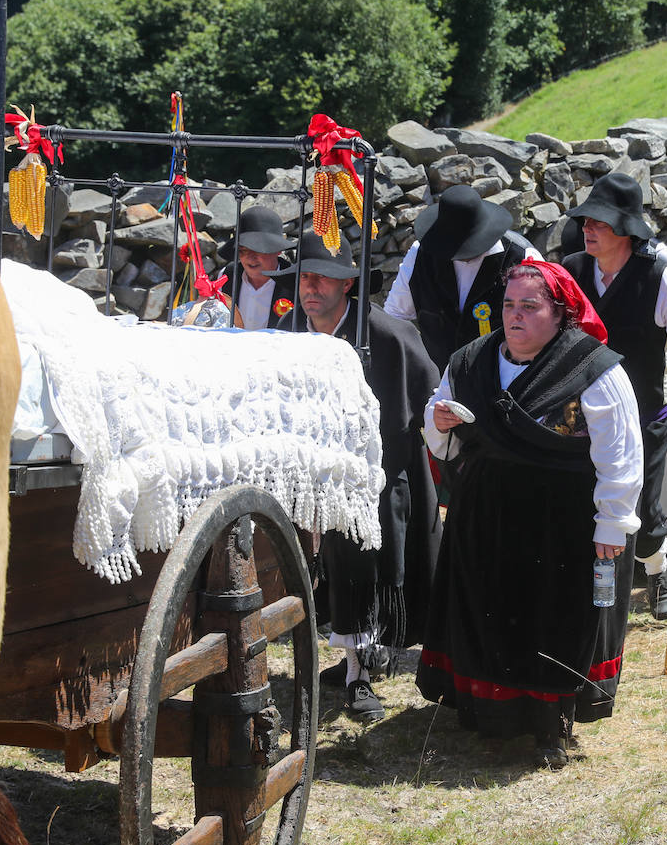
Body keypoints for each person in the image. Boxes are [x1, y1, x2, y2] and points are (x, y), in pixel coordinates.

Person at [416, 259, 641, 768]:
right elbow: (439, 434)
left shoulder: (593, 369)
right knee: (488, 612)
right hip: (486, 516)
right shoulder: (471, 361)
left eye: (530, 306)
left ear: (560, 314)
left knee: (553, 620)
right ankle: (490, 713)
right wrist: (440, 420)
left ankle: (548, 725)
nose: (515, 317)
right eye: (509, 305)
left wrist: (612, 523)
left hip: (559, 524)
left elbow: (621, 452)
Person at [268, 231, 441, 720]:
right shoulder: (287, 329)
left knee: (363, 567)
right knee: (320, 571)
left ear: (348, 285)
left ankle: (359, 673)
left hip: (375, 477)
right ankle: (349, 659)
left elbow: (429, 399)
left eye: (324, 278)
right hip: (305, 474)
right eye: (305, 278)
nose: (311, 288)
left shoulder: (385, 334)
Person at [562, 172, 667, 621]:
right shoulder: (570, 272)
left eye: (600, 222)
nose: (588, 228)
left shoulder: (661, 277)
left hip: (646, 413)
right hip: (583, 414)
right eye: (586, 220)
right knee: (586, 504)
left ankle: (658, 569)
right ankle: (592, 588)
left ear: (626, 228)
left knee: (646, 515)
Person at [384, 184, 541, 370]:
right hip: (437, 379)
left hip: (503, 380)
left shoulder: (523, 257)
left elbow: (543, 327)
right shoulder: (420, 254)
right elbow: (394, 320)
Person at [219, 205, 296, 330]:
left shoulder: (295, 282)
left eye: (258, 250)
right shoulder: (227, 275)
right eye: (243, 250)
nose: (250, 257)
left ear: (277, 250)